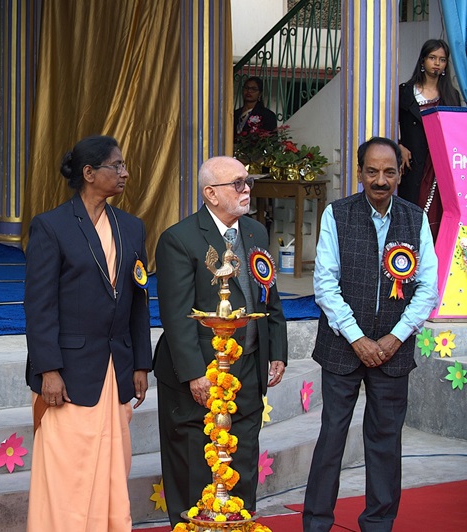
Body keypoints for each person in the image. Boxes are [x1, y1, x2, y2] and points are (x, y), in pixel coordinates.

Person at [302, 137, 439, 531]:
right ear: (359, 172)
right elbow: (325, 284)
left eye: (390, 172)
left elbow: (427, 288)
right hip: (343, 349)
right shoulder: (337, 214)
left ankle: (379, 523)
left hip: (392, 351)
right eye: (373, 171)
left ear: (400, 174)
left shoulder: (415, 218)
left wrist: (394, 337)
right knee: (332, 437)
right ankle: (315, 523)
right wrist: (357, 338)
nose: (381, 180)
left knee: (385, 441)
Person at [24, 135, 152, 531]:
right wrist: (48, 370)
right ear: (89, 173)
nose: (125, 173)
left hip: (117, 368)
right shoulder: (52, 226)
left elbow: (139, 300)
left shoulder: (131, 227)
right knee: (69, 470)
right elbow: (39, 305)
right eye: (117, 165)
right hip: (69, 373)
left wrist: (141, 365)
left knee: (116, 462)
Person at [154, 156, 288, 526]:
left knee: (241, 458)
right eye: (238, 184)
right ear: (210, 194)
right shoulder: (179, 239)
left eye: (248, 183)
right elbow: (177, 315)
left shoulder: (255, 233)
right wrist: (195, 373)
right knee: (196, 463)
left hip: (248, 364)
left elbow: (269, 298)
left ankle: (238, 524)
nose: (246, 191)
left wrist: (277, 351)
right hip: (199, 372)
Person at [398, 39, 461, 240]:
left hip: (440, 165)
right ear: (423, 60)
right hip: (413, 163)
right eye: (432, 58)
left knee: (440, 214)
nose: (437, 63)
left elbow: (457, 131)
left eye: (442, 60)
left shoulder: (451, 95)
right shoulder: (406, 92)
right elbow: (391, 123)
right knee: (411, 211)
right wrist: (398, 145)